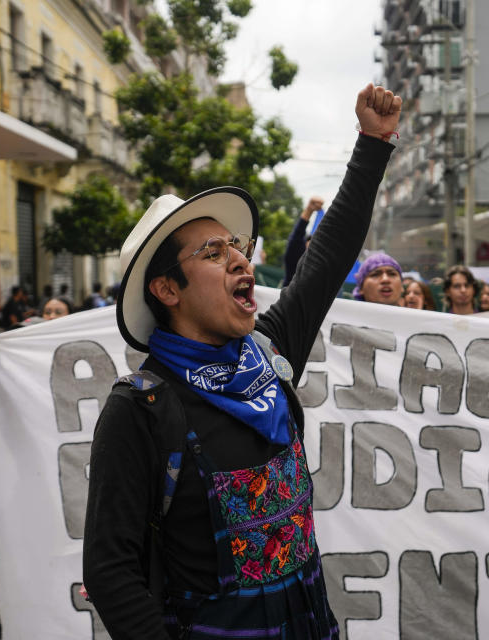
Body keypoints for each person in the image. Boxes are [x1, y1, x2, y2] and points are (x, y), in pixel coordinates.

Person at [82, 83, 400, 638]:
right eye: (212, 253)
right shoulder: (141, 410)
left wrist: (372, 143)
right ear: (167, 289)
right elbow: (110, 573)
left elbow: (327, 258)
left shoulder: (271, 353)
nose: (238, 258)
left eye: (237, 246)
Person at [282, 196, 325, 286]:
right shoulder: (296, 257)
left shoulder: (324, 266)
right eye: (313, 241)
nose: (316, 246)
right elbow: (297, 234)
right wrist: (309, 210)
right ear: (305, 243)